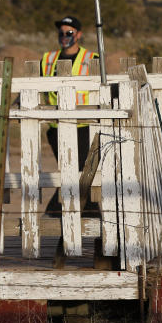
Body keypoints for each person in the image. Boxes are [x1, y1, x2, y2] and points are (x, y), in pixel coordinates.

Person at [42, 16, 98, 212]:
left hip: (84, 127)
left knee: (80, 174)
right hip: (57, 128)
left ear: (79, 35)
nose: (64, 36)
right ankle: (87, 216)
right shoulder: (47, 60)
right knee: (70, 174)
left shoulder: (92, 59)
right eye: (61, 33)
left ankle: (58, 213)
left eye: (69, 33)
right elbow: (35, 87)